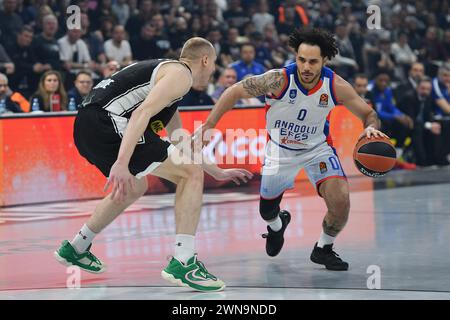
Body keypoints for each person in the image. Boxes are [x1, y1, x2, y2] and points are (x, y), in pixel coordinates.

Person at [53, 37, 252, 292]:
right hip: (107, 122)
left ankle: (77, 247)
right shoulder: (181, 74)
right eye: (213, 64)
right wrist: (122, 164)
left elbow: (181, 143)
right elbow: (141, 114)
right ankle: (184, 261)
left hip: (87, 126)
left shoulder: (167, 84)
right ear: (205, 60)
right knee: (189, 175)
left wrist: (216, 171)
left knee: (136, 186)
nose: (213, 70)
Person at [198, 28, 387, 271]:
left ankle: (323, 248)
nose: (306, 67)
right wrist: (209, 125)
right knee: (267, 211)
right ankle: (277, 227)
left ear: (324, 60)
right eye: (301, 60)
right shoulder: (278, 80)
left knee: (341, 202)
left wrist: (370, 128)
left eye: (313, 62)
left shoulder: (336, 85)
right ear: (295, 57)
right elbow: (234, 91)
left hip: (317, 149)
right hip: (279, 150)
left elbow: (369, 113)